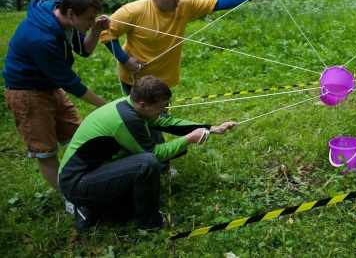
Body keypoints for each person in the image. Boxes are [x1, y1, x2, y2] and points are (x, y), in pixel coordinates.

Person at [58, 75, 237, 232]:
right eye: (162, 106)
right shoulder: (127, 120)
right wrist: (189, 139)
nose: (165, 110)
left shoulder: (131, 106)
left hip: (95, 171)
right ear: (143, 104)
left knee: (125, 209)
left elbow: (167, 122)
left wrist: (212, 128)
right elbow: (154, 154)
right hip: (77, 181)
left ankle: (94, 209)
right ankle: (150, 223)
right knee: (146, 163)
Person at [3, 0, 109, 191]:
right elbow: (71, 83)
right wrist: (107, 105)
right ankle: (70, 196)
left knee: (78, 134)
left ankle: (89, 179)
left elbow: (84, 50)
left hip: (49, 85)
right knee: (46, 152)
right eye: (89, 19)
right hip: (26, 93)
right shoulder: (41, 39)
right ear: (70, 13)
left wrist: (95, 30)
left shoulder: (62, 14)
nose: (91, 22)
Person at [101, 0, 274, 92]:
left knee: (159, 121)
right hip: (135, 79)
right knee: (140, 127)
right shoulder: (133, 11)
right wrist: (125, 60)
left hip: (163, 80)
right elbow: (106, 32)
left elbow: (217, 2)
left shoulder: (184, 4)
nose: (177, 0)